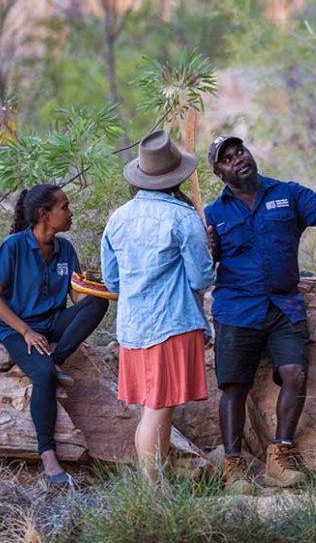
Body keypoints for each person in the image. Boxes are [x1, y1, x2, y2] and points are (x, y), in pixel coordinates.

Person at [204, 134, 316, 491]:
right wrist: (207, 247)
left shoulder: (286, 194)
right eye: (227, 159)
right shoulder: (212, 214)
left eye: (239, 150)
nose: (237, 159)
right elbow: (201, 265)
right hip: (236, 309)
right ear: (219, 173)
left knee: (294, 373)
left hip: (283, 306)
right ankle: (233, 466)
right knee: (234, 387)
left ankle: (281, 455)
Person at [101, 130, 215, 482]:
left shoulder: (118, 217)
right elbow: (201, 278)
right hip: (172, 323)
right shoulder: (182, 217)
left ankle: (157, 485)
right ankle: (152, 492)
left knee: (157, 408)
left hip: (133, 328)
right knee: (158, 409)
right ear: (175, 177)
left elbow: (112, 281)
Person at [0, 183, 109, 488]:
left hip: (52, 322)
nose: (70, 212)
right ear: (44, 214)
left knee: (98, 301)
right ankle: (48, 455)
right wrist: (25, 331)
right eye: (64, 207)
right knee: (43, 377)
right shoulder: (13, 246)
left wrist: (96, 294)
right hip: (16, 327)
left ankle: (56, 359)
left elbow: (79, 299)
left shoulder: (65, 249)